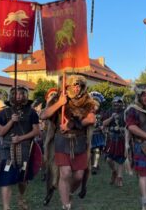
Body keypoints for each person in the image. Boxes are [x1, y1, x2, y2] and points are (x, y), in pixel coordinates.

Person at [40, 75, 96, 210]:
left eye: (79, 86)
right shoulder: (58, 97)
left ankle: (68, 192)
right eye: (74, 85)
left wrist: (72, 125)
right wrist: (59, 103)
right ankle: (66, 205)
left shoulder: (87, 100)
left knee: (78, 176)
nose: (76, 88)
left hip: (80, 141)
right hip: (61, 141)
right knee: (65, 173)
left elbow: (91, 119)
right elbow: (43, 115)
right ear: (68, 86)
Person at [0, 86, 40, 210]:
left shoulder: (32, 112)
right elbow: (0, 132)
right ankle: (6, 207)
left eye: (21, 94)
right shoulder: (4, 113)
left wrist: (21, 138)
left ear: (25, 96)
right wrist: (11, 121)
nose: (18, 96)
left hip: (25, 149)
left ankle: (21, 197)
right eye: (16, 94)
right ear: (11, 96)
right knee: (5, 178)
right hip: (7, 150)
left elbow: (36, 131)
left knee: (22, 179)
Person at [41, 88, 60, 206]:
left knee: (60, 168)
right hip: (49, 141)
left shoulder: (60, 110)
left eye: (55, 95)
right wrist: (50, 102)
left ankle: (58, 186)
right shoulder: (45, 110)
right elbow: (43, 115)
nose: (53, 96)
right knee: (49, 169)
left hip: (60, 139)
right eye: (50, 95)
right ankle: (49, 192)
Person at [103, 96, 127, 187]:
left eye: (119, 103)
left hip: (121, 138)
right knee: (109, 159)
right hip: (111, 138)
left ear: (122, 104)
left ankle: (120, 178)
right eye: (115, 103)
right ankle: (114, 171)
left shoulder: (125, 112)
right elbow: (104, 123)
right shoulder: (109, 111)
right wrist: (112, 118)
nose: (117, 105)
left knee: (121, 159)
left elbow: (129, 124)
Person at [89, 91, 106, 175]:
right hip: (89, 134)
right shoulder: (86, 112)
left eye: (97, 104)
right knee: (89, 151)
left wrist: (103, 126)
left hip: (98, 133)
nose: (95, 106)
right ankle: (90, 165)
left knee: (96, 150)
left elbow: (104, 122)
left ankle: (95, 166)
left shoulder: (102, 113)